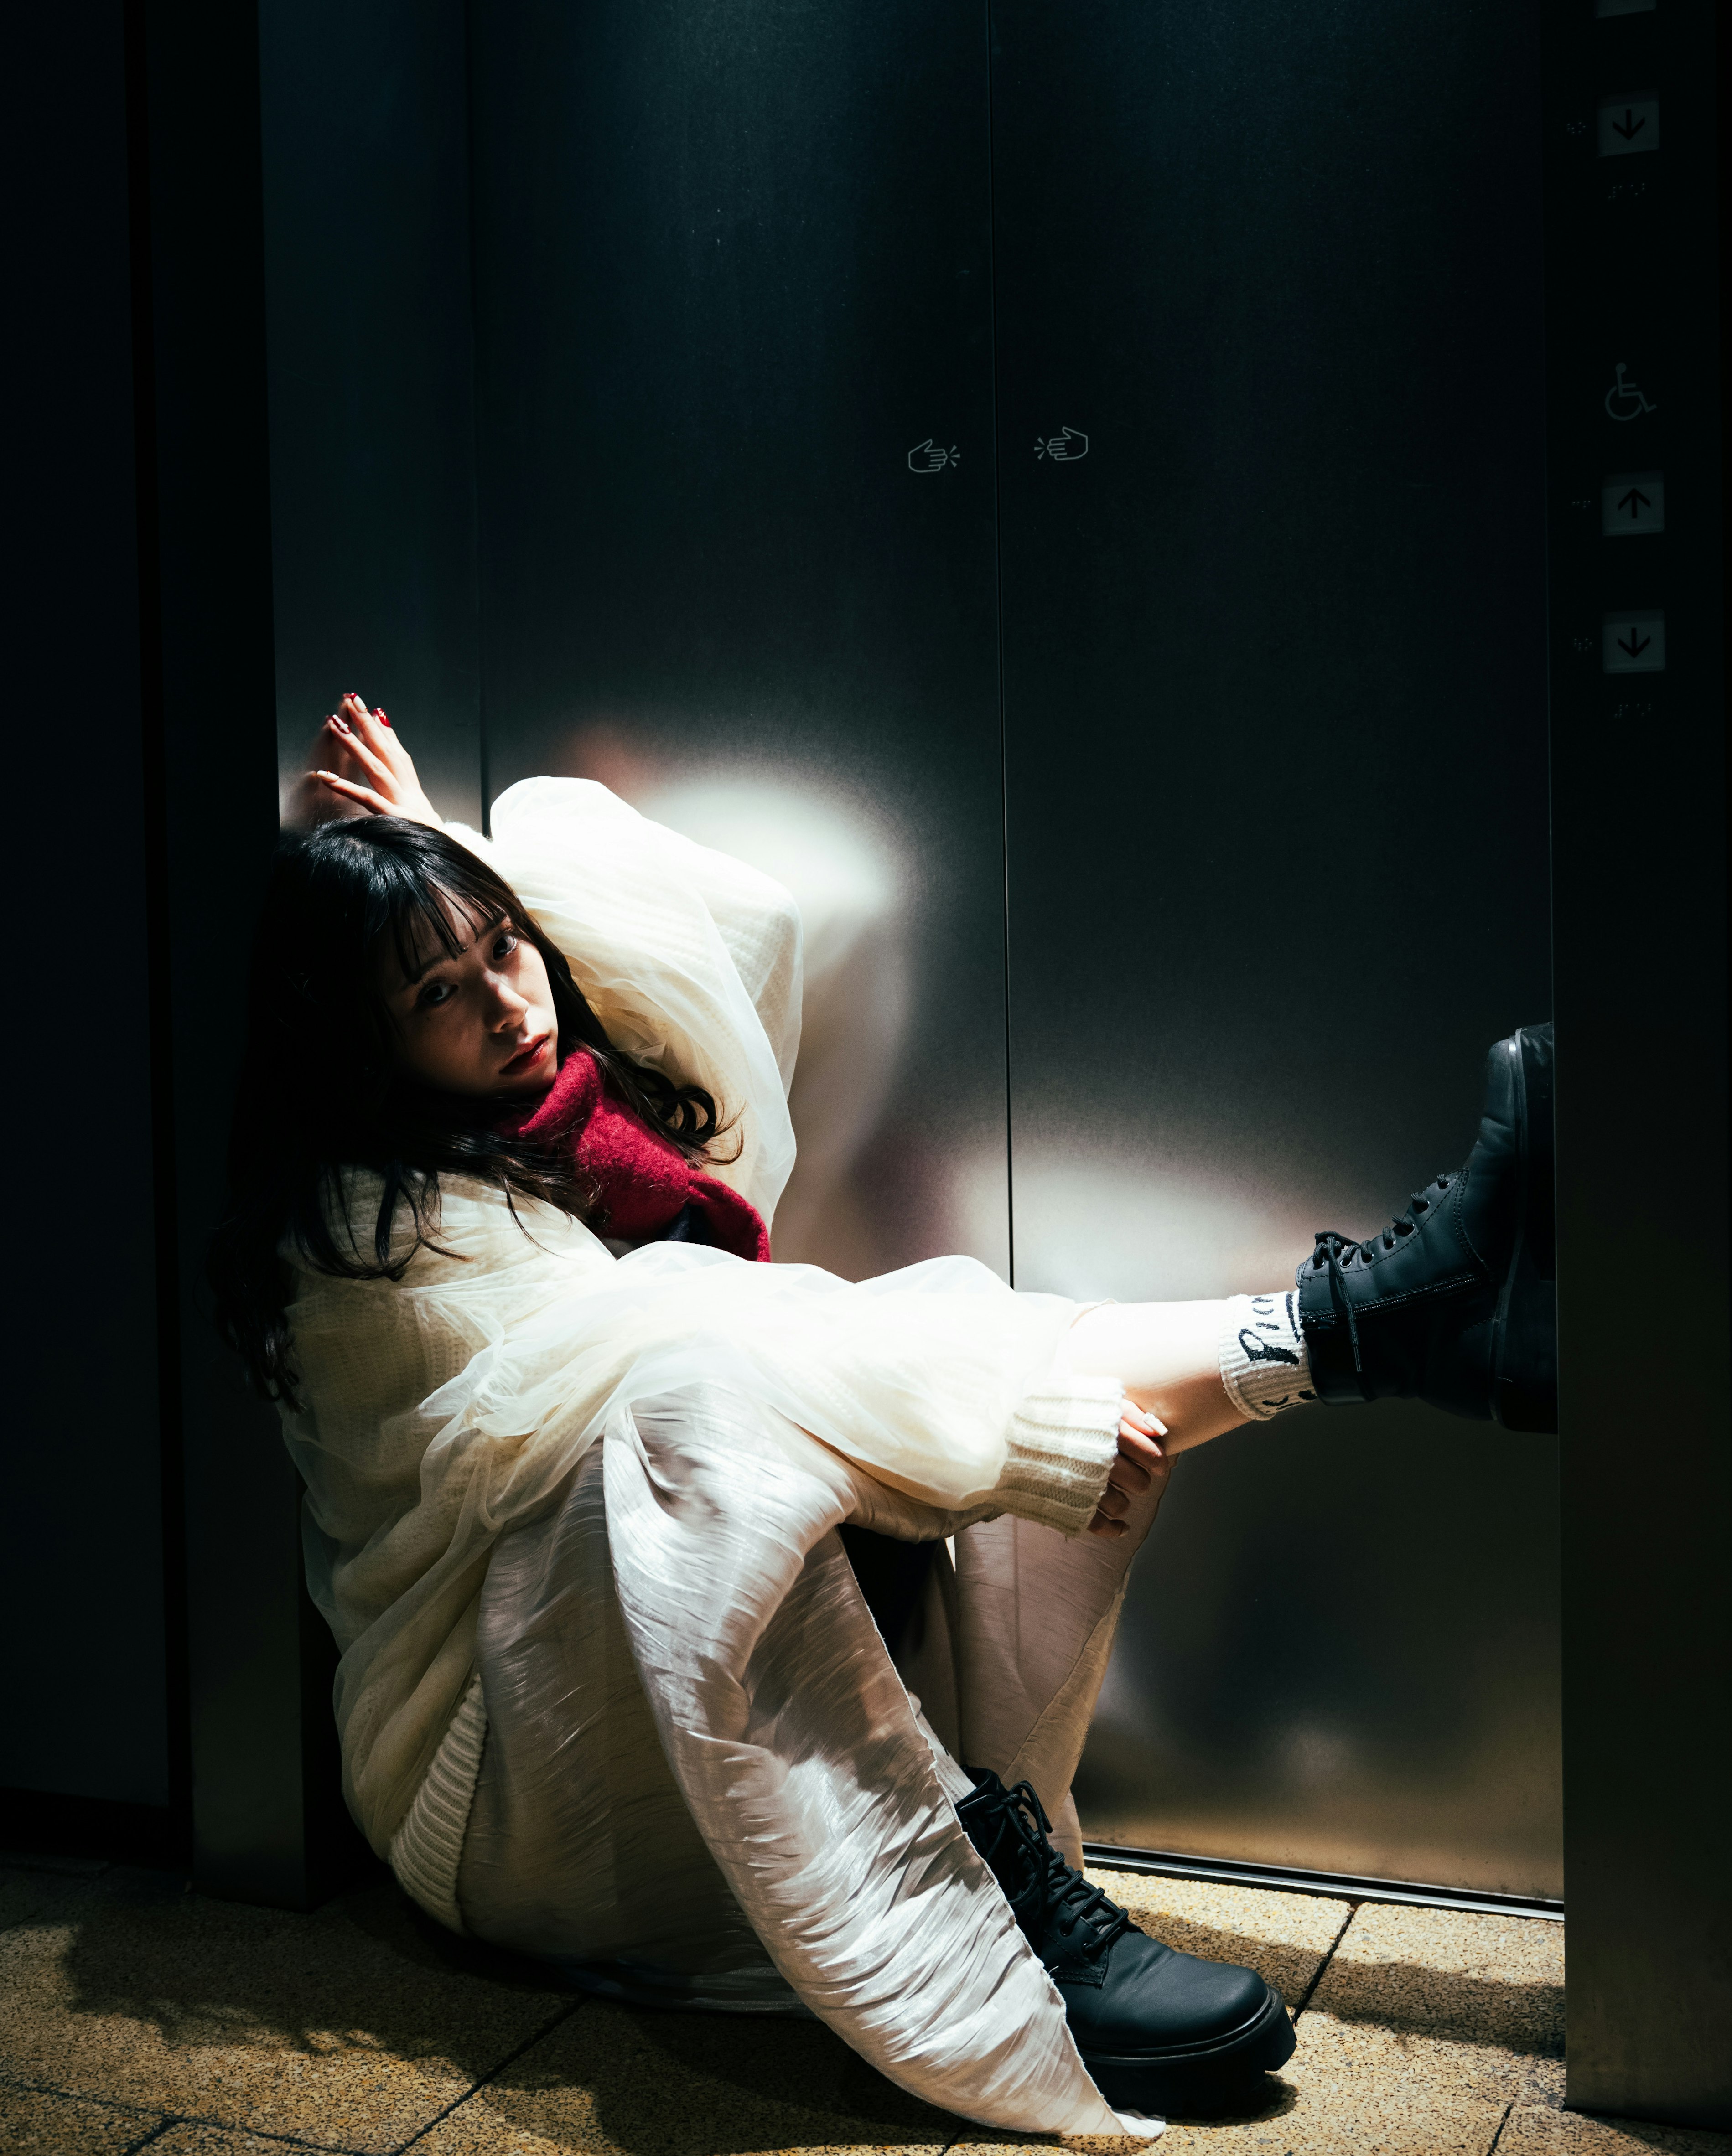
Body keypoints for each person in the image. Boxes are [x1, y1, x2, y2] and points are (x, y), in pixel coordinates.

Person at [210, 693, 1555, 2136]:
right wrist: (1018, 1430)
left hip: (611, 1711)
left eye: (506, 945)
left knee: (830, 1354)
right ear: (358, 1050)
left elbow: (793, 908)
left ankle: (1365, 1336)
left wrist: (439, 852)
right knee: (700, 1391)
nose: (512, 1003)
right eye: (435, 996)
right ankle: (1378, 1330)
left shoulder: (589, 1125)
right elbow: (660, 1339)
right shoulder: (364, 1241)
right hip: (486, 1792)